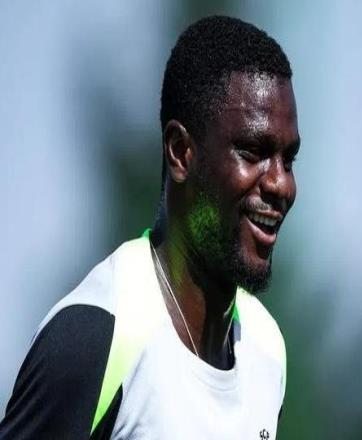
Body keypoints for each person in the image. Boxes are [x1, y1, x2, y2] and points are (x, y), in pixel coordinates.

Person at [0, 15, 300, 440]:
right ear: (180, 152)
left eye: (289, 159)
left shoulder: (266, 351)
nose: (281, 184)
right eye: (253, 152)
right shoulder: (93, 337)